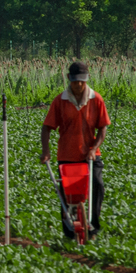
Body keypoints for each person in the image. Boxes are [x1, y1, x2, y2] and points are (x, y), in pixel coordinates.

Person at [40, 61, 111, 239]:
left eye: (81, 81)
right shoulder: (60, 101)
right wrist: (46, 151)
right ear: (69, 79)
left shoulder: (96, 99)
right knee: (67, 194)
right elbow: (46, 128)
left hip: (90, 155)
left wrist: (94, 148)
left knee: (97, 185)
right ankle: (70, 232)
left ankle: (93, 228)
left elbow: (103, 127)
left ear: (86, 79)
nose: (78, 84)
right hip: (67, 155)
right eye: (75, 81)